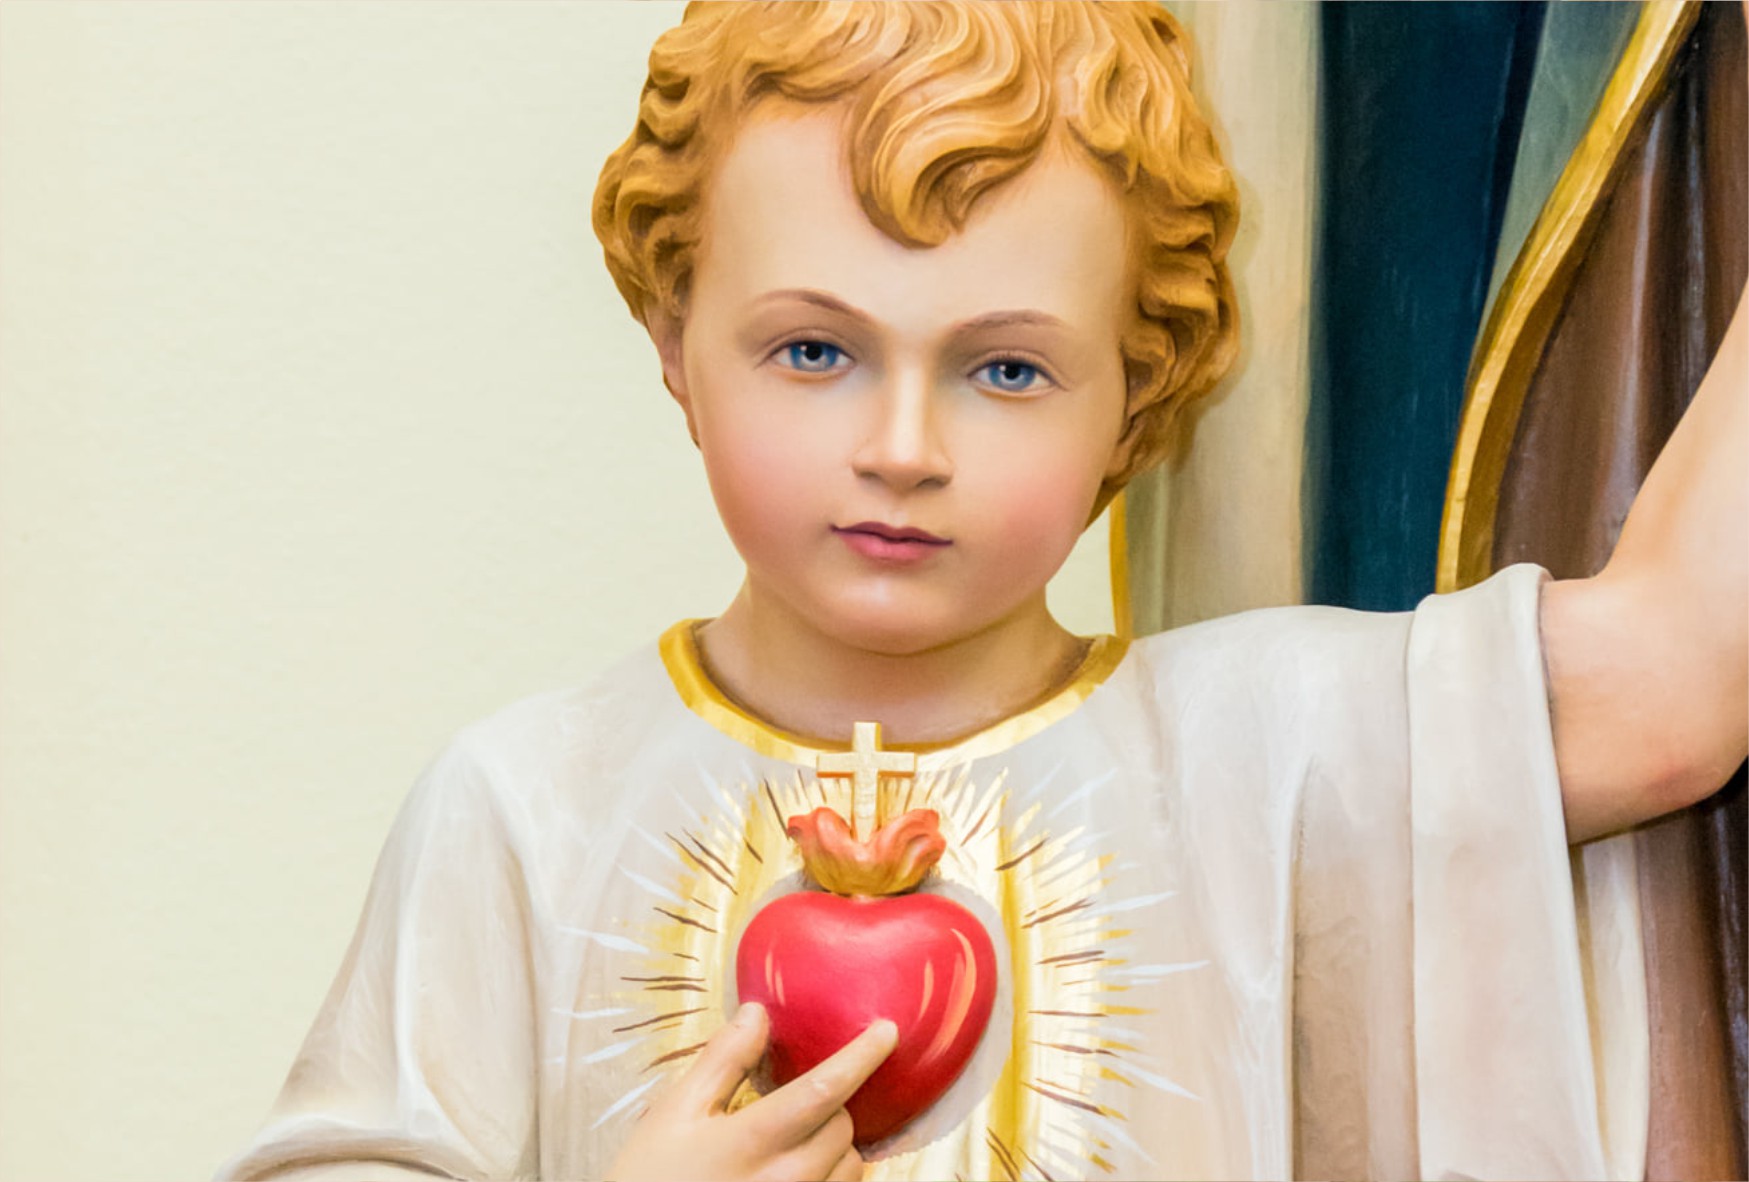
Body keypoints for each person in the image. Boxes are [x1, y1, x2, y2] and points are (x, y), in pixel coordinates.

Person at [217, 3, 1748, 1180]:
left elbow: (1668, 681)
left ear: (1137, 393)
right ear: (673, 337)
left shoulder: (1262, 749)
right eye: (814, 349)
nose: (901, 447)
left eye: (1004, 368)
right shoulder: (524, 812)